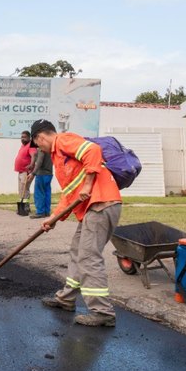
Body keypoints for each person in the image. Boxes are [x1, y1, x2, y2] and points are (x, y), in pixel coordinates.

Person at [30, 119, 122, 327]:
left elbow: (93, 150)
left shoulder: (63, 141)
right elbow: (70, 194)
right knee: (77, 251)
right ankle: (66, 299)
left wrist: (88, 184)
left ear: (40, 137)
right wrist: (52, 219)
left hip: (101, 204)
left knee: (89, 257)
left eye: (38, 144)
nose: (40, 148)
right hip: (92, 209)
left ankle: (102, 312)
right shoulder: (59, 157)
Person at [27, 137, 54, 219]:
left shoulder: (41, 149)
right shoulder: (49, 148)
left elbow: (39, 162)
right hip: (49, 173)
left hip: (41, 174)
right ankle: (46, 212)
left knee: (39, 193)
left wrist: (33, 173)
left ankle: (40, 212)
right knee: (47, 193)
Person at [14, 131, 33, 204]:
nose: (22, 139)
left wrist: (31, 165)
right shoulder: (23, 145)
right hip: (20, 171)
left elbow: (34, 155)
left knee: (25, 189)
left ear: (29, 137)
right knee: (21, 189)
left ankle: (26, 207)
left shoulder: (31, 144)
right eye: (22, 137)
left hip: (26, 172)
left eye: (24, 137)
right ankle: (21, 205)